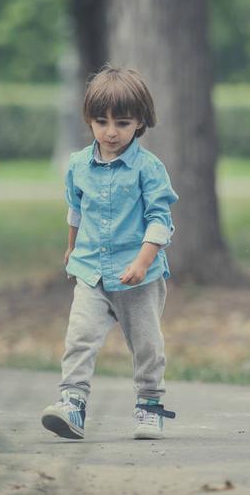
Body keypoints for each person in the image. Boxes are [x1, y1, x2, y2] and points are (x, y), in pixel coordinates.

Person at [41, 65, 178, 440]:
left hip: (140, 276)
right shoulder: (77, 165)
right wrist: (70, 248)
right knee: (79, 337)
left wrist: (142, 261)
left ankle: (150, 405)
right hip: (91, 272)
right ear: (89, 120)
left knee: (147, 345)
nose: (111, 131)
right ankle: (72, 404)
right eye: (101, 122)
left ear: (140, 123)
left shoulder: (148, 169)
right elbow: (76, 210)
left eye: (122, 122)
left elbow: (159, 221)